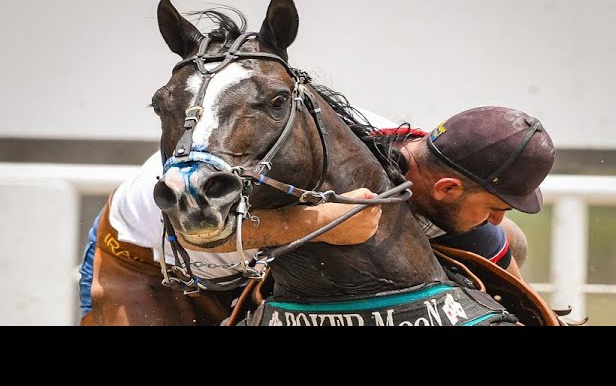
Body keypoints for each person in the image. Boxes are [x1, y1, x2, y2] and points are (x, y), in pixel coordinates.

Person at [79, 104, 554, 325]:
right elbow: (199, 234)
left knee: (513, 238)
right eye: (493, 206)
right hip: (152, 261)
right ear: (448, 187)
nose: (495, 219)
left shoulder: (434, 168)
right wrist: (312, 222)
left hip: (247, 257)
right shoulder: (303, 163)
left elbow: (504, 264)